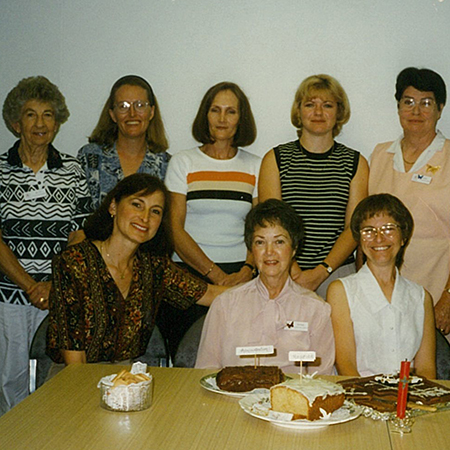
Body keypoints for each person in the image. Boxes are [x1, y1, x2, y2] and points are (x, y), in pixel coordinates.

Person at [47, 174, 227, 365]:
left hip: (126, 374)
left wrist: (262, 286)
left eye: (155, 211)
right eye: (137, 205)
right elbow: (73, 356)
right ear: (113, 206)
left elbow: (212, 294)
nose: (145, 217)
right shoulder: (74, 262)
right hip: (73, 375)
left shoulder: (154, 266)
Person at [0, 76, 92, 414]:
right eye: (30, 114)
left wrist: (55, 283)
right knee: (11, 377)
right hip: (9, 294)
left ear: (57, 121)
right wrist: (29, 285)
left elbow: (79, 234)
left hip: (58, 292)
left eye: (48, 115)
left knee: (57, 377)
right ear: (15, 122)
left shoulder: (72, 169)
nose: (40, 123)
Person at [162, 82, 261, 357]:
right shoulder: (183, 162)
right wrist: (215, 275)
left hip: (241, 275)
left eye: (230, 111)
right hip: (189, 273)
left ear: (241, 119)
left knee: (236, 357)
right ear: (205, 115)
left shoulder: (256, 165)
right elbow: (174, 227)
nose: (221, 118)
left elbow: (259, 229)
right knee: (187, 358)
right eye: (215, 110)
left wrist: (247, 271)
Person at [259, 74, 368, 299]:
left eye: (327, 105)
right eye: (310, 105)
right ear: (298, 111)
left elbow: (353, 228)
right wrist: (293, 269)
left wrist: (321, 272)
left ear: (339, 112)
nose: (318, 112)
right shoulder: (275, 159)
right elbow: (271, 225)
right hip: (283, 268)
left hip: (336, 272)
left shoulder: (356, 162)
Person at [195, 199, 335, 374]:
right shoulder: (225, 304)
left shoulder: (316, 309)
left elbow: (321, 377)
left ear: (293, 249)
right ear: (251, 249)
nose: (269, 252)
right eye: (260, 242)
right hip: (231, 398)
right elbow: (205, 371)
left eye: (279, 242)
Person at [369, 67, 450, 338]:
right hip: (384, 291)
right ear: (398, 107)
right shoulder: (380, 154)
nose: (416, 111)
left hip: (437, 290)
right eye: (408, 102)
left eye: (426, 103)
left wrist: (448, 298)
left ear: (440, 109)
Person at [327, 194, 436, 378]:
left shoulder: (421, 297)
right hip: (361, 399)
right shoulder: (341, 291)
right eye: (368, 230)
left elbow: (426, 370)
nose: (378, 238)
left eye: (388, 229)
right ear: (360, 241)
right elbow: (346, 364)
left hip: (409, 401)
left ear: (403, 237)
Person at [78, 75, 170, 210]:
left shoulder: (166, 165)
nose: (132, 114)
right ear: (112, 114)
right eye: (123, 106)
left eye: (139, 105)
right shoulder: (90, 157)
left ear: (151, 112)